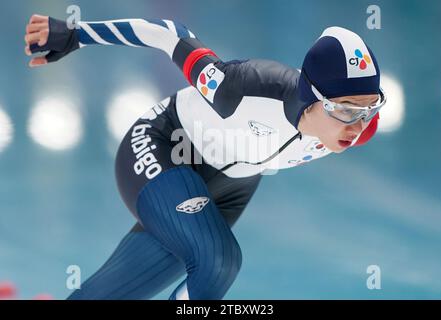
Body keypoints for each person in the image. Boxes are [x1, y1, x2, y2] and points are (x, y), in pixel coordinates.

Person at [24, 14, 386, 300]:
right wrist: (76, 34)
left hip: (232, 186)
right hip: (165, 146)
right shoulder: (241, 89)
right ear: (312, 97)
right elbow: (169, 32)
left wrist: (356, 112)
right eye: (345, 109)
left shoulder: (359, 127)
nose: (358, 124)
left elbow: (359, 115)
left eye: (370, 108)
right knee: (218, 262)